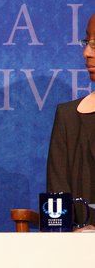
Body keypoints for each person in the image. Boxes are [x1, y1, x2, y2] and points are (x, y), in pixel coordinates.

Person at [46, 13, 95, 231]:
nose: (86, 53)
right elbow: (56, 207)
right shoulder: (69, 118)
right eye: (87, 42)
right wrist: (72, 232)